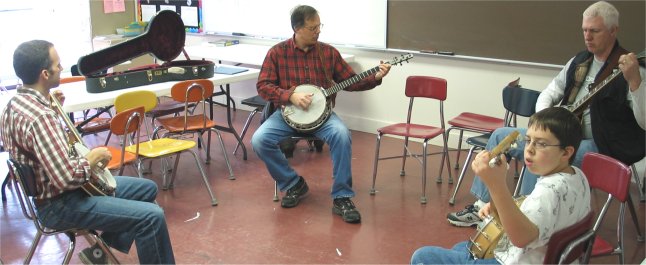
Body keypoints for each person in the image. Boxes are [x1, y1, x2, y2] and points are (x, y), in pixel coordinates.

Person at [447, 0, 645, 227]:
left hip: (601, 144)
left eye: (594, 31)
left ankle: (527, 219)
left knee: (541, 153)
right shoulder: (579, 61)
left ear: (613, 31)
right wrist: (545, 125)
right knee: (502, 135)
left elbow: (644, 120)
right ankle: (482, 207)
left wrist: (636, 83)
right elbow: (550, 92)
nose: (587, 36)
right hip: (560, 137)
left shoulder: (631, 69)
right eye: (584, 30)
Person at [1, 40, 175, 264]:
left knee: (146, 189)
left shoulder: (15, 104)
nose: (61, 67)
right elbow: (66, 178)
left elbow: (38, 146)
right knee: (152, 217)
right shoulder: (41, 118)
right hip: (60, 205)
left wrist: (54, 111)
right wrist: (93, 159)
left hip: (50, 197)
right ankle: (101, 254)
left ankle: (98, 255)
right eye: (57, 64)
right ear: (45, 74)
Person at [251, 5, 391, 223]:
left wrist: (376, 77)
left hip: (323, 117)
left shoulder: (328, 53)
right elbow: (263, 86)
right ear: (297, 28)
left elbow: (350, 82)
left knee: (342, 135)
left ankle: (342, 197)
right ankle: (293, 183)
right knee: (259, 140)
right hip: (287, 116)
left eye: (319, 26)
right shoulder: (277, 53)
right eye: (312, 27)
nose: (318, 31)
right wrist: (290, 96)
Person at [412, 107, 591, 264]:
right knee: (462, 248)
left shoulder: (549, 191)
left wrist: (496, 184)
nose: (529, 149)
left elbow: (521, 238)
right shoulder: (577, 175)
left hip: (516, 260)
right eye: (528, 140)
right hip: (544, 257)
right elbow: (539, 212)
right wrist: (496, 199)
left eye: (541, 144)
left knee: (423, 257)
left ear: (566, 152)